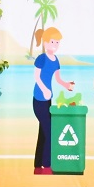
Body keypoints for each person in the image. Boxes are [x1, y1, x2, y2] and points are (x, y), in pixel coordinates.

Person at [32, 26, 75, 175]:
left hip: (48, 99)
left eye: (57, 42)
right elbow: (37, 77)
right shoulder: (41, 58)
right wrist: (44, 89)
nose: (55, 45)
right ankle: (47, 165)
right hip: (39, 99)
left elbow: (58, 79)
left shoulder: (56, 60)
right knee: (49, 131)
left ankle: (38, 166)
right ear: (45, 42)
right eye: (52, 42)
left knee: (43, 132)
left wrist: (66, 85)